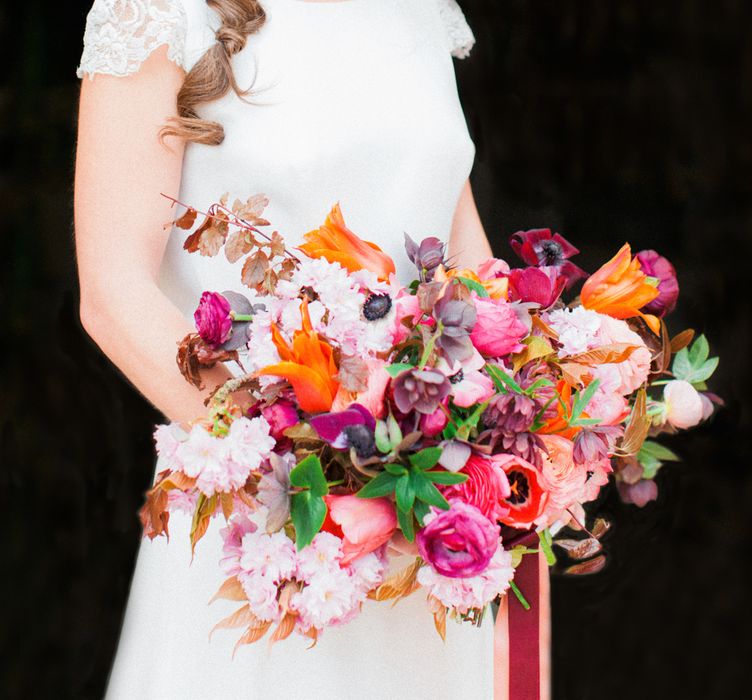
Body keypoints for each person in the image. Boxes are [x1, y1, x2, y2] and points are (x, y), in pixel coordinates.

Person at [73, 1, 550, 698]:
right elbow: (115, 294)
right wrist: (305, 473)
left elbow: (462, 262)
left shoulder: (419, 11)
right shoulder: (157, 12)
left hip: (430, 530)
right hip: (271, 534)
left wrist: (528, 417)